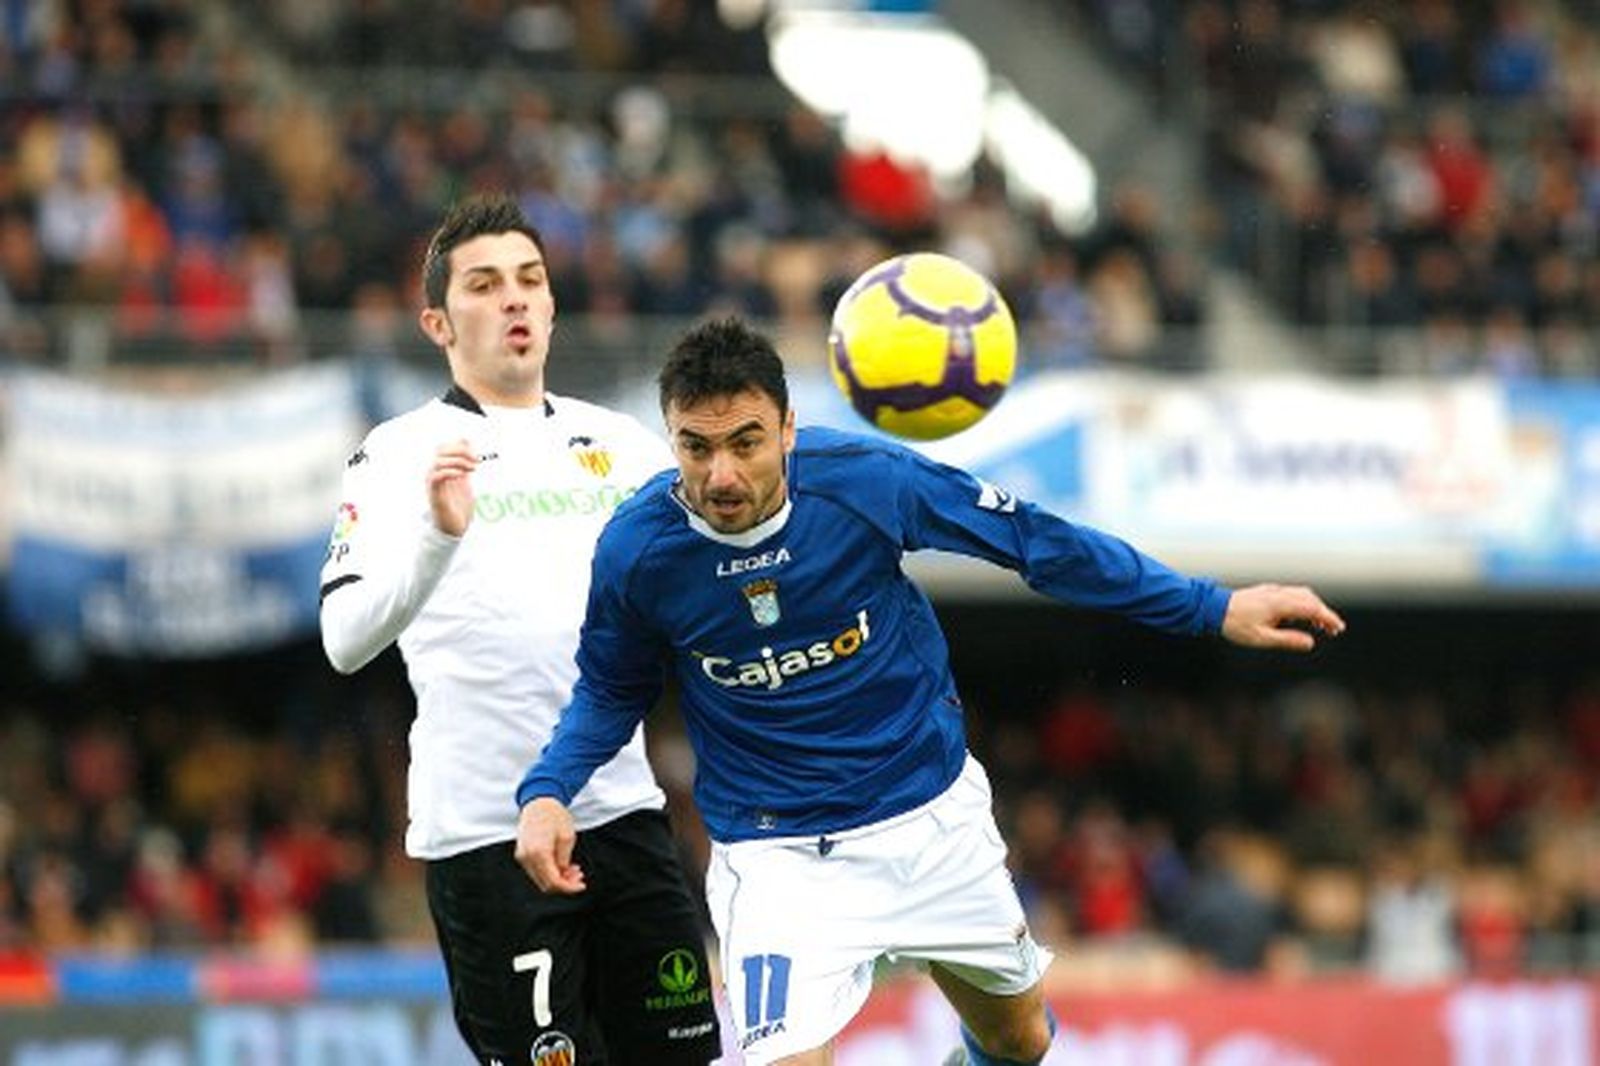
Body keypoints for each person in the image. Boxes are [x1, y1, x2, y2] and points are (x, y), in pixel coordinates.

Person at [513, 316, 1346, 1066]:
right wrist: (549, 792)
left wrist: (1214, 606)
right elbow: (609, 690)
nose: (721, 473)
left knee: (1020, 1043)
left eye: (746, 442)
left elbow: (1035, 543)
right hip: (779, 861)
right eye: (696, 446)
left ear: (789, 429)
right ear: (671, 439)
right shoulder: (638, 550)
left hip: (931, 820)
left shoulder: (868, 482)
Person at [319, 194, 720, 1066]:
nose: (514, 299)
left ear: (551, 305)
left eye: (530, 281)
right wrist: (435, 535)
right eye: (485, 284)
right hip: (485, 834)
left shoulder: (623, 446)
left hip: (622, 816)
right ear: (436, 321)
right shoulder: (396, 452)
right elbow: (344, 638)